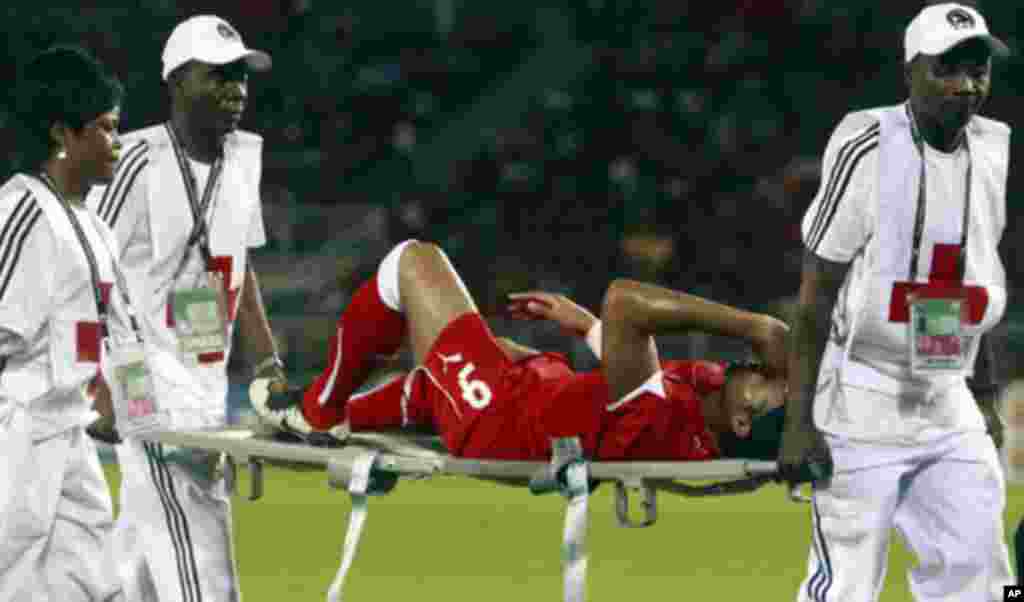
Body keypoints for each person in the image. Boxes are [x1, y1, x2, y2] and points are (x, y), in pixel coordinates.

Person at [778, 4, 1014, 600]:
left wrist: (981, 395)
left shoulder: (991, 150)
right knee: (847, 582)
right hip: (862, 395)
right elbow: (815, 295)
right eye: (948, 68)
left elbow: (966, 285)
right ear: (910, 71)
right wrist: (798, 421)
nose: (967, 85)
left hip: (945, 393)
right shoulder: (869, 143)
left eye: (978, 69)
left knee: (983, 567)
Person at [251, 239, 790, 462]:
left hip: (499, 417)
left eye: (767, 380)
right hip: (534, 394)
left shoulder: (665, 417)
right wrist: (582, 325)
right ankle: (335, 409)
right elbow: (637, 362)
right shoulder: (700, 401)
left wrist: (756, 326)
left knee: (412, 262)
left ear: (742, 421)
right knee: (494, 347)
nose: (759, 364)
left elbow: (626, 300)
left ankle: (317, 411)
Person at [84, 15, 280, 602]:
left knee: (146, 534)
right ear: (176, 81)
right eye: (217, 76)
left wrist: (268, 360)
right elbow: (84, 269)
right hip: (137, 367)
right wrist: (99, 381)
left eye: (240, 76)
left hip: (203, 369)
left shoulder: (242, 159)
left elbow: (241, 267)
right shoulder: (134, 160)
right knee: (187, 509)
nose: (235, 89)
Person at [0, 45, 129, 601]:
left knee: (94, 582)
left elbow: (118, 339)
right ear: (62, 134)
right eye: (104, 128)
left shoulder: (95, 227)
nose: (117, 144)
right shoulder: (21, 210)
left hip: (68, 432)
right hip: (16, 432)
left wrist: (142, 417)